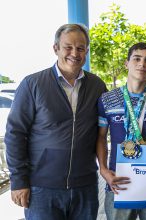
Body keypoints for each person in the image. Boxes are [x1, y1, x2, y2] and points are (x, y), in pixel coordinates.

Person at [5, 24, 107, 219]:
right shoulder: (32, 84)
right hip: (42, 189)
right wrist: (19, 181)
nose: (74, 53)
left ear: (86, 51)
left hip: (85, 188)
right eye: (68, 47)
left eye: (80, 48)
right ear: (56, 48)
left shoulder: (97, 86)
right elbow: (15, 134)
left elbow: (120, 111)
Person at [96, 42, 146, 220]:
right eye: (136, 59)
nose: (142, 64)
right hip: (117, 183)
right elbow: (100, 138)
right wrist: (104, 170)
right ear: (126, 63)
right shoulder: (107, 99)